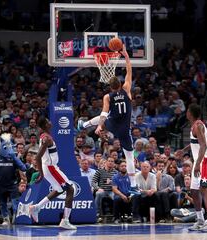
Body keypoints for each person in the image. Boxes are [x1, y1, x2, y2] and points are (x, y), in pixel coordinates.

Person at [78, 45, 139, 195]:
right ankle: (133, 186)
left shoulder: (107, 96)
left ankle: (84, 124)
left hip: (112, 124)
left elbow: (104, 113)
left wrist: (99, 126)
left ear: (110, 87)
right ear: (120, 84)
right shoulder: (127, 89)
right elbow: (129, 69)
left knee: (103, 118)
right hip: (124, 129)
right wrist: (125, 54)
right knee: (129, 156)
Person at [28, 117, 76, 230]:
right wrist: (41, 174)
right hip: (50, 168)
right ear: (45, 125)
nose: (51, 122)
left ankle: (36, 207)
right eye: (48, 121)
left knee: (59, 190)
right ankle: (65, 221)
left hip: (50, 167)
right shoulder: (47, 139)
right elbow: (38, 157)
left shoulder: (44, 136)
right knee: (70, 189)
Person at [185, 104, 207, 231]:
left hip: (206, 160)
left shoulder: (198, 125)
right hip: (200, 160)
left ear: (191, 113)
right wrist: (183, 150)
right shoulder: (195, 126)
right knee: (193, 189)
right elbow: (196, 143)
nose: (186, 113)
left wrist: (197, 164)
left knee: (204, 188)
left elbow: (203, 146)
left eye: (187, 111)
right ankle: (200, 219)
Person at [0, 133, 28, 226]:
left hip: (12, 184)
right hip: (0, 185)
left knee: (15, 202)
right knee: (2, 203)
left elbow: (23, 168)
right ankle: (6, 219)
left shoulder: (13, 158)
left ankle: (16, 218)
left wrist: (14, 158)